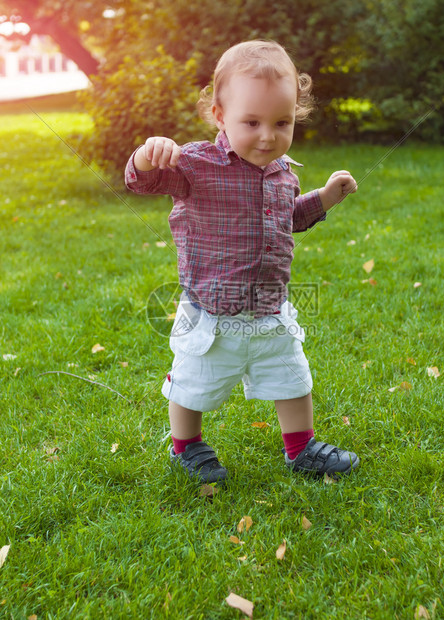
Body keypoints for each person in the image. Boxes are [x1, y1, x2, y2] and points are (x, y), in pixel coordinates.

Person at [125, 40, 360, 484]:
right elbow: (143, 180)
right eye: (251, 122)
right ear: (219, 115)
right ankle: (187, 446)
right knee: (194, 382)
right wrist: (145, 155)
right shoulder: (195, 164)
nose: (268, 135)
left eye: (282, 122)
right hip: (210, 315)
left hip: (270, 308)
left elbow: (288, 219)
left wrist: (326, 197)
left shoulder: (283, 171)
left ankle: (301, 448)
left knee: (292, 377)